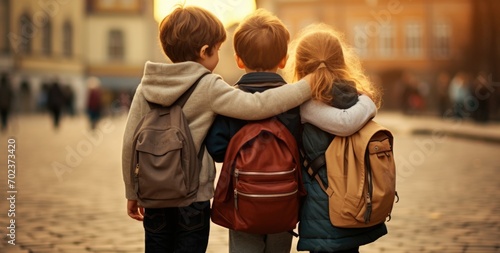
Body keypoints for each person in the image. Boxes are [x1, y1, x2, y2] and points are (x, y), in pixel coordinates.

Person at [121, 6, 319, 253]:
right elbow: (256, 105)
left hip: (153, 193)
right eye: (217, 50)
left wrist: (132, 190)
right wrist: (306, 86)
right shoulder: (208, 85)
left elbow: (130, 141)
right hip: (192, 198)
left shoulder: (146, 85)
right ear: (205, 51)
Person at [205, 10, 377, 253]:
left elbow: (218, 149)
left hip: (242, 201)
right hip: (283, 201)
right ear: (284, 60)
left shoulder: (232, 101)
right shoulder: (294, 102)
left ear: (238, 60)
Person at [286, 23, 387, 253]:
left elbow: (343, 123)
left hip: (325, 210)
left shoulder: (305, 104)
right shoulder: (353, 97)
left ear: (300, 65)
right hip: (355, 200)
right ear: (340, 61)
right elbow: (346, 123)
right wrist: (368, 102)